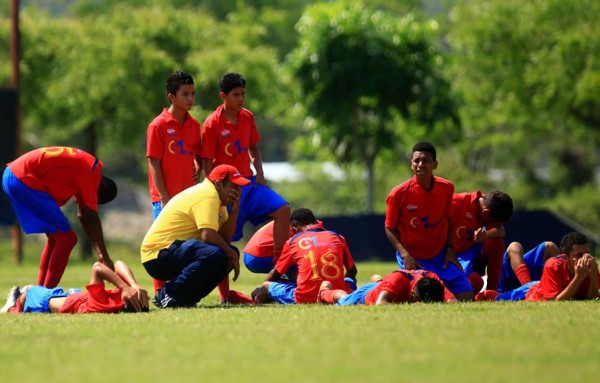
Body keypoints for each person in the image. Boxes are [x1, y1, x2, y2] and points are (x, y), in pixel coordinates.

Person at [200, 72, 290, 301]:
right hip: (228, 191)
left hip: (250, 185)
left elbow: (254, 149)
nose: (241, 99)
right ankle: (224, 296)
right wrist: (215, 192)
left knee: (283, 210)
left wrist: (260, 174)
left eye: (243, 94)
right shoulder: (211, 123)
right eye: (236, 95)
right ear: (223, 96)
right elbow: (207, 162)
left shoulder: (247, 117)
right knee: (224, 242)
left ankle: (280, 270)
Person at [2, 146, 117, 288]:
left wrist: (100, 254)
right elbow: (90, 216)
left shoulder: (84, 167)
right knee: (68, 239)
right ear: (102, 188)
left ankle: (39, 291)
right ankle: (46, 294)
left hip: (13, 175)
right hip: (24, 178)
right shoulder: (91, 173)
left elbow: (82, 214)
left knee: (56, 238)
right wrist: (104, 257)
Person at [140, 164, 250, 308]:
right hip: (157, 255)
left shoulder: (220, 203)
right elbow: (208, 235)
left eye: (239, 187)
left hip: (174, 252)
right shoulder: (207, 195)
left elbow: (223, 240)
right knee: (216, 253)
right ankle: (168, 294)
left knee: (226, 253)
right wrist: (231, 254)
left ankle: (186, 299)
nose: (237, 191)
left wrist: (235, 211)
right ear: (218, 184)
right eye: (234, 186)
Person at [384, 141, 474, 301]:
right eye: (416, 161)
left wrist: (450, 249)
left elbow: (447, 219)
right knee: (427, 298)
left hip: (440, 255)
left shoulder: (447, 188)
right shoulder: (398, 194)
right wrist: (405, 255)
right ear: (411, 164)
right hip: (413, 256)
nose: (420, 164)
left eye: (425, 161)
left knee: (467, 297)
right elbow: (389, 228)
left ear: (435, 164)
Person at [146, 71, 202, 292]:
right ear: (171, 96)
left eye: (193, 94)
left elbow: (198, 156)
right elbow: (154, 164)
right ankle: (160, 292)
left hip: (188, 197)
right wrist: (164, 197)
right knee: (163, 248)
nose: (190, 99)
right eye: (185, 94)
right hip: (165, 198)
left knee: (186, 246)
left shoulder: (194, 124)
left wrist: (198, 169)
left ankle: (180, 290)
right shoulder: (157, 126)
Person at [257, 208, 357, 305]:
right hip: (336, 293)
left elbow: (275, 274)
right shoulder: (338, 237)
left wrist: (261, 290)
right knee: (350, 280)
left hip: (306, 297)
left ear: (295, 228)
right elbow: (352, 271)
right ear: (316, 221)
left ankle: (259, 299)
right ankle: (336, 296)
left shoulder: (293, 241)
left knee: (267, 285)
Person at [476, 232, 600, 301]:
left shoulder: (590, 266)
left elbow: (592, 297)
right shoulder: (553, 264)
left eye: (587, 253)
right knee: (495, 298)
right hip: (529, 291)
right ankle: (483, 292)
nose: (584, 258)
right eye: (579, 255)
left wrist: (593, 277)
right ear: (565, 257)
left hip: (537, 284)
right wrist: (579, 278)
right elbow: (556, 302)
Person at [0, 260, 149, 314]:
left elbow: (97, 267)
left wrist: (125, 287)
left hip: (47, 301)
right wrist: (133, 284)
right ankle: (21, 293)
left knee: (28, 294)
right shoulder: (120, 298)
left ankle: (13, 303)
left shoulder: (102, 304)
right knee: (33, 289)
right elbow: (118, 263)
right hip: (70, 296)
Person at [450, 190, 514, 292]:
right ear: (486, 212)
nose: (493, 224)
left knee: (497, 242)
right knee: (475, 282)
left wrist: (486, 234)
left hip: (468, 255)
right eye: (493, 221)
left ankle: (491, 292)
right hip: (447, 256)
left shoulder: (488, 202)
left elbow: (501, 231)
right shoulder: (457, 202)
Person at [318, 270, 456, 305]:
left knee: (384, 285)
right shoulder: (398, 278)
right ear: (413, 292)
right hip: (367, 296)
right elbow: (381, 303)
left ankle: (378, 280)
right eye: (416, 299)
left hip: (385, 287)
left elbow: (452, 301)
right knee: (344, 300)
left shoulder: (432, 279)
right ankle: (324, 290)